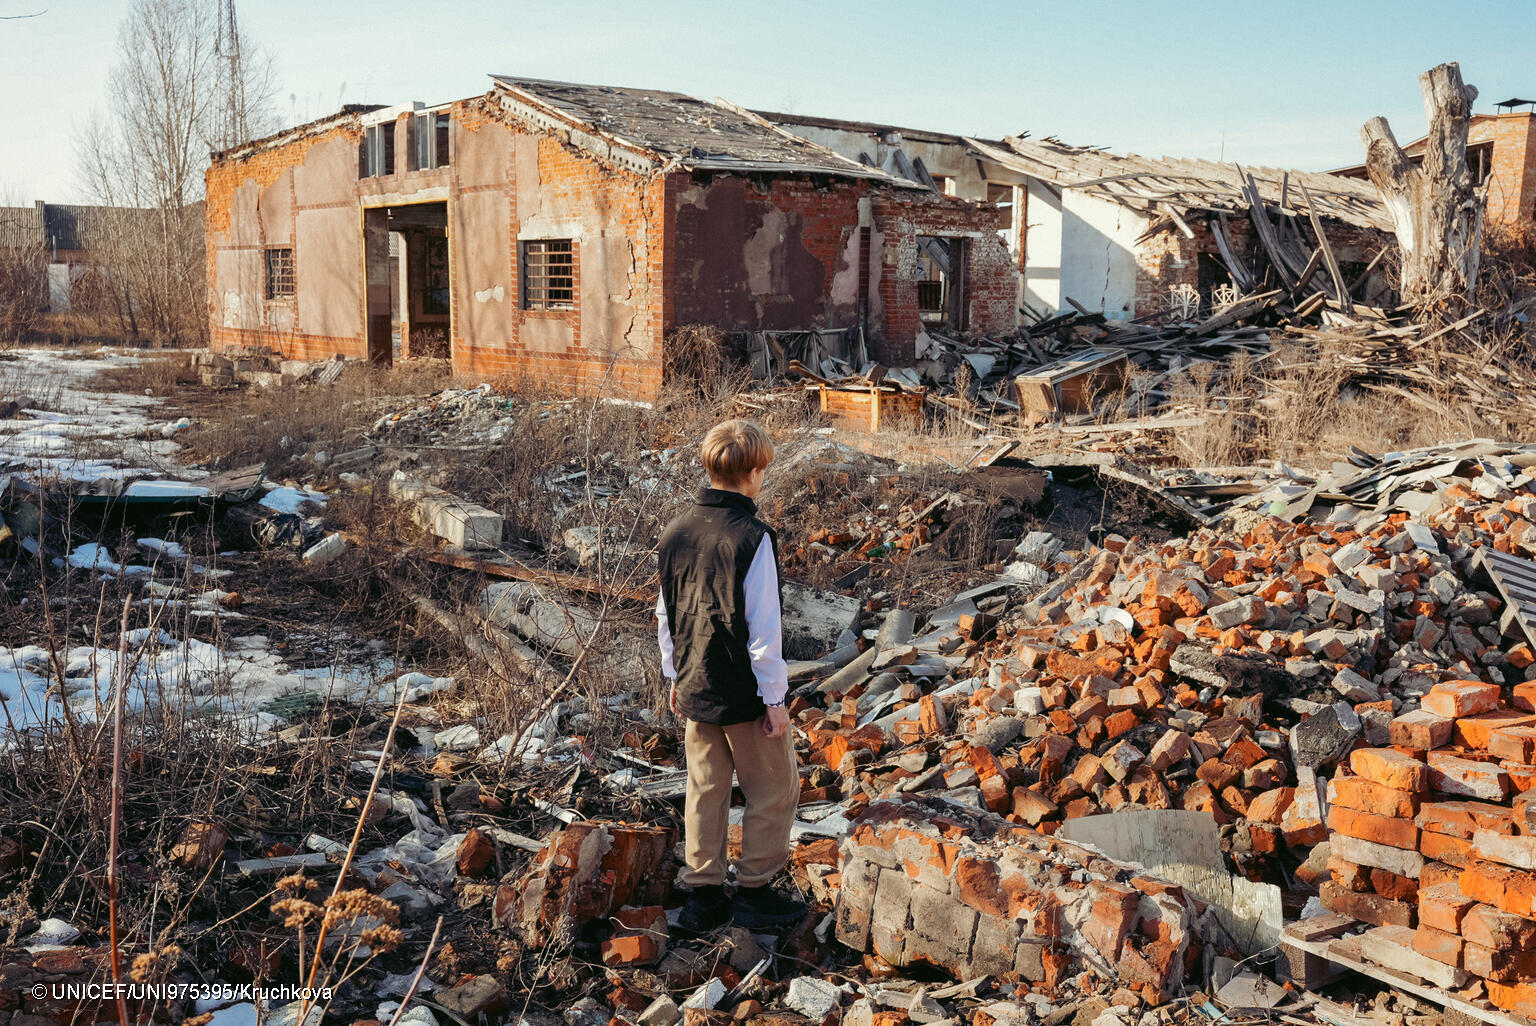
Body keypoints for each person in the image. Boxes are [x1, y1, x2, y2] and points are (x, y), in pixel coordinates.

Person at [656, 419, 807, 933]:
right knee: (775, 790)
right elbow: (763, 630)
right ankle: (755, 890)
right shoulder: (753, 538)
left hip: (695, 685)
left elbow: (666, 615)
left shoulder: (675, 531)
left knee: (705, 789)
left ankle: (703, 895)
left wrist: (674, 676)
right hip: (743, 692)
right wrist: (775, 700)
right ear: (755, 471)